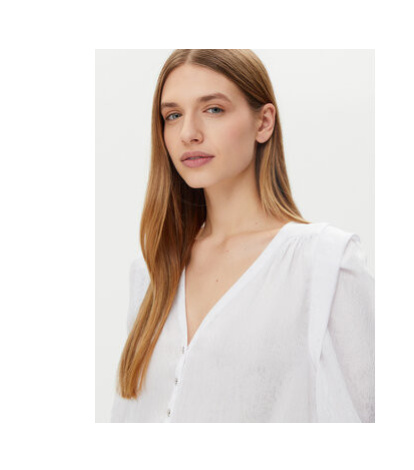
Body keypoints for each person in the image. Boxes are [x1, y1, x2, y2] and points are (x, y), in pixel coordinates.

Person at [110, 49, 374, 423]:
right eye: (173, 115)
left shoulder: (325, 263)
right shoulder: (152, 271)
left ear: (263, 122)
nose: (188, 133)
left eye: (213, 109)